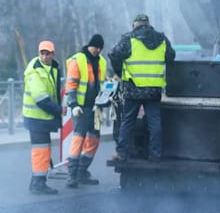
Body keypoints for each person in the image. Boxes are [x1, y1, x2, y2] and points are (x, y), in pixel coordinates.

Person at [109, 14, 175, 162]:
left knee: (128, 121)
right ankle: (155, 154)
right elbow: (171, 56)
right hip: (154, 88)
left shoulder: (128, 39)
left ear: (135, 25)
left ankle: (122, 153)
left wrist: (119, 72)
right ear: (148, 24)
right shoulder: (161, 39)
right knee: (154, 122)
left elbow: (113, 54)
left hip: (133, 88)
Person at [64, 33, 107, 188]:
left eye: (100, 48)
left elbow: (102, 84)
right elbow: (71, 85)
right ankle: (72, 175)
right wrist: (74, 105)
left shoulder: (102, 61)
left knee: (94, 139)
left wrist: (105, 99)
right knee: (78, 139)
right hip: (81, 108)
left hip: (96, 108)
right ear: (90, 45)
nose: (98, 50)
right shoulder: (78, 60)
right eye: (96, 47)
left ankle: (82, 171)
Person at [22, 40, 64, 194]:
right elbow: (41, 99)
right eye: (42, 53)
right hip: (36, 118)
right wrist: (59, 110)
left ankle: (38, 181)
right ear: (39, 53)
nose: (45, 56)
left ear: (53, 54)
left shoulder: (52, 68)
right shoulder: (35, 71)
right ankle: (37, 184)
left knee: (44, 150)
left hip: (42, 118)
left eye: (48, 53)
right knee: (41, 151)